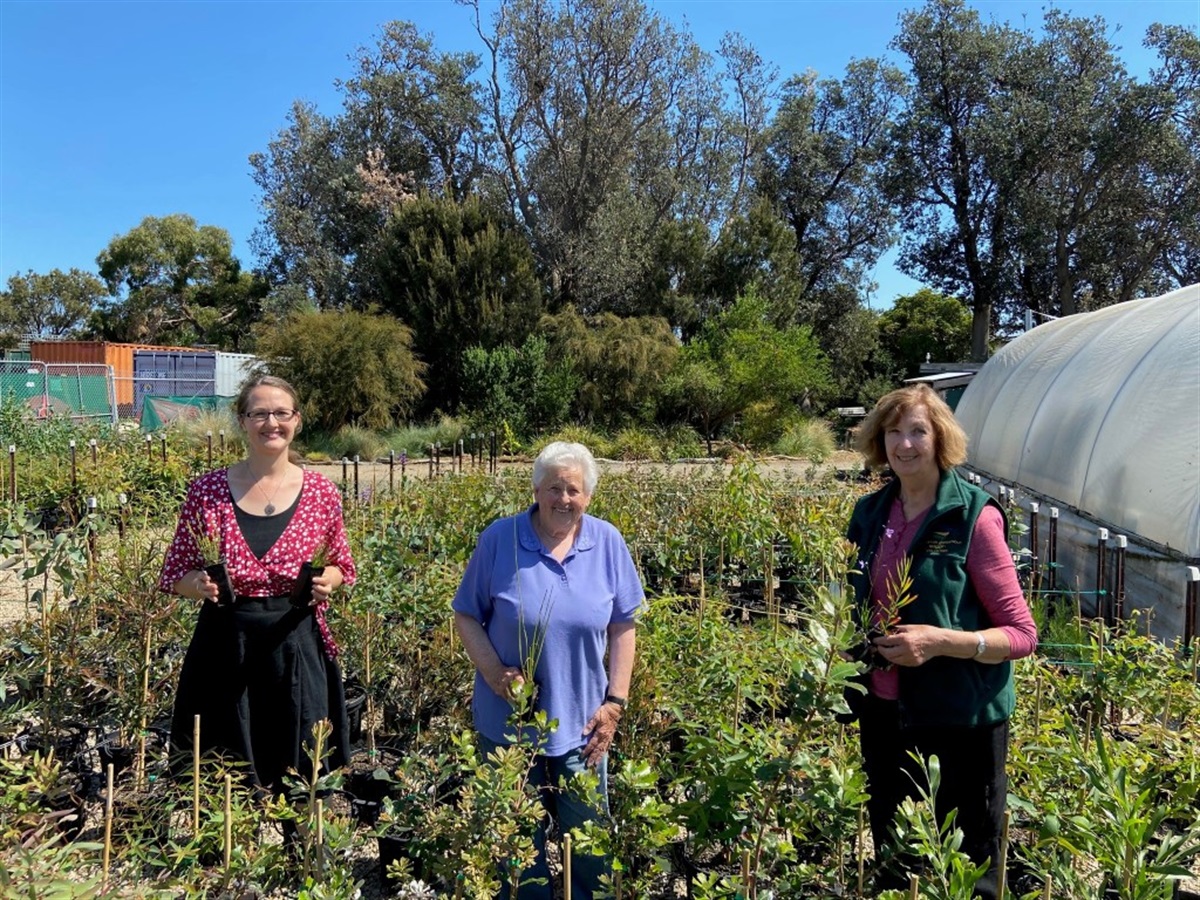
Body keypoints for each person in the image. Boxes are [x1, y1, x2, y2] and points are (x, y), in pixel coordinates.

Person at [847, 384, 1038, 899]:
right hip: (886, 711)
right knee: (895, 845)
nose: (904, 444)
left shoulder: (973, 516)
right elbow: (859, 601)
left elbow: (1021, 635)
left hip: (962, 718)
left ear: (939, 439)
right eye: (893, 432)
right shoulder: (870, 513)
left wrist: (939, 641)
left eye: (917, 431)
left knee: (970, 861)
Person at [452, 441, 644, 900]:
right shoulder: (500, 539)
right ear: (536, 489)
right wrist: (497, 673)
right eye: (553, 487)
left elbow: (623, 626)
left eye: (574, 489)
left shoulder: (607, 542)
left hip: (584, 727)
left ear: (589, 497)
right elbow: (465, 615)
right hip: (509, 727)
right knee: (518, 844)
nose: (564, 498)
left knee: (589, 843)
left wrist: (615, 703)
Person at [160, 375, 356, 793]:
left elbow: (341, 563)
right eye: (260, 413)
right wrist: (198, 585)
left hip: (295, 642)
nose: (272, 422)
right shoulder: (206, 490)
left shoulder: (321, 492)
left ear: (297, 421)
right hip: (226, 644)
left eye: (281, 413)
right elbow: (177, 571)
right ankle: (231, 854)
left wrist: (328, 581)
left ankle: (296, 854)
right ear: (243, 421)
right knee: (224, 771)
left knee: (300, 766)